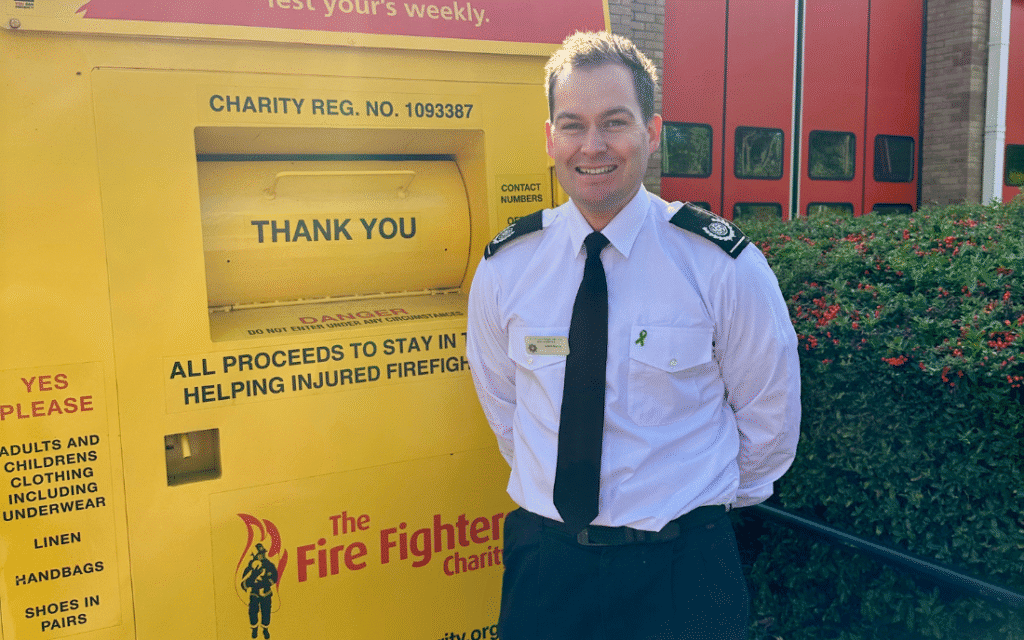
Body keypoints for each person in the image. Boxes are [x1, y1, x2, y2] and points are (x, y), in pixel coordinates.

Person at [466, 31, 801, 640]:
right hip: (548, 569)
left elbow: (769, 418)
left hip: (680, 572)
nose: (592, 147)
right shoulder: (507, 267)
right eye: (572, 125)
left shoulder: (718, 265)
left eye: (614, 122)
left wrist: (700, 507)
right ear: (550, 139)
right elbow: (505, 406)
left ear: (652, 131)